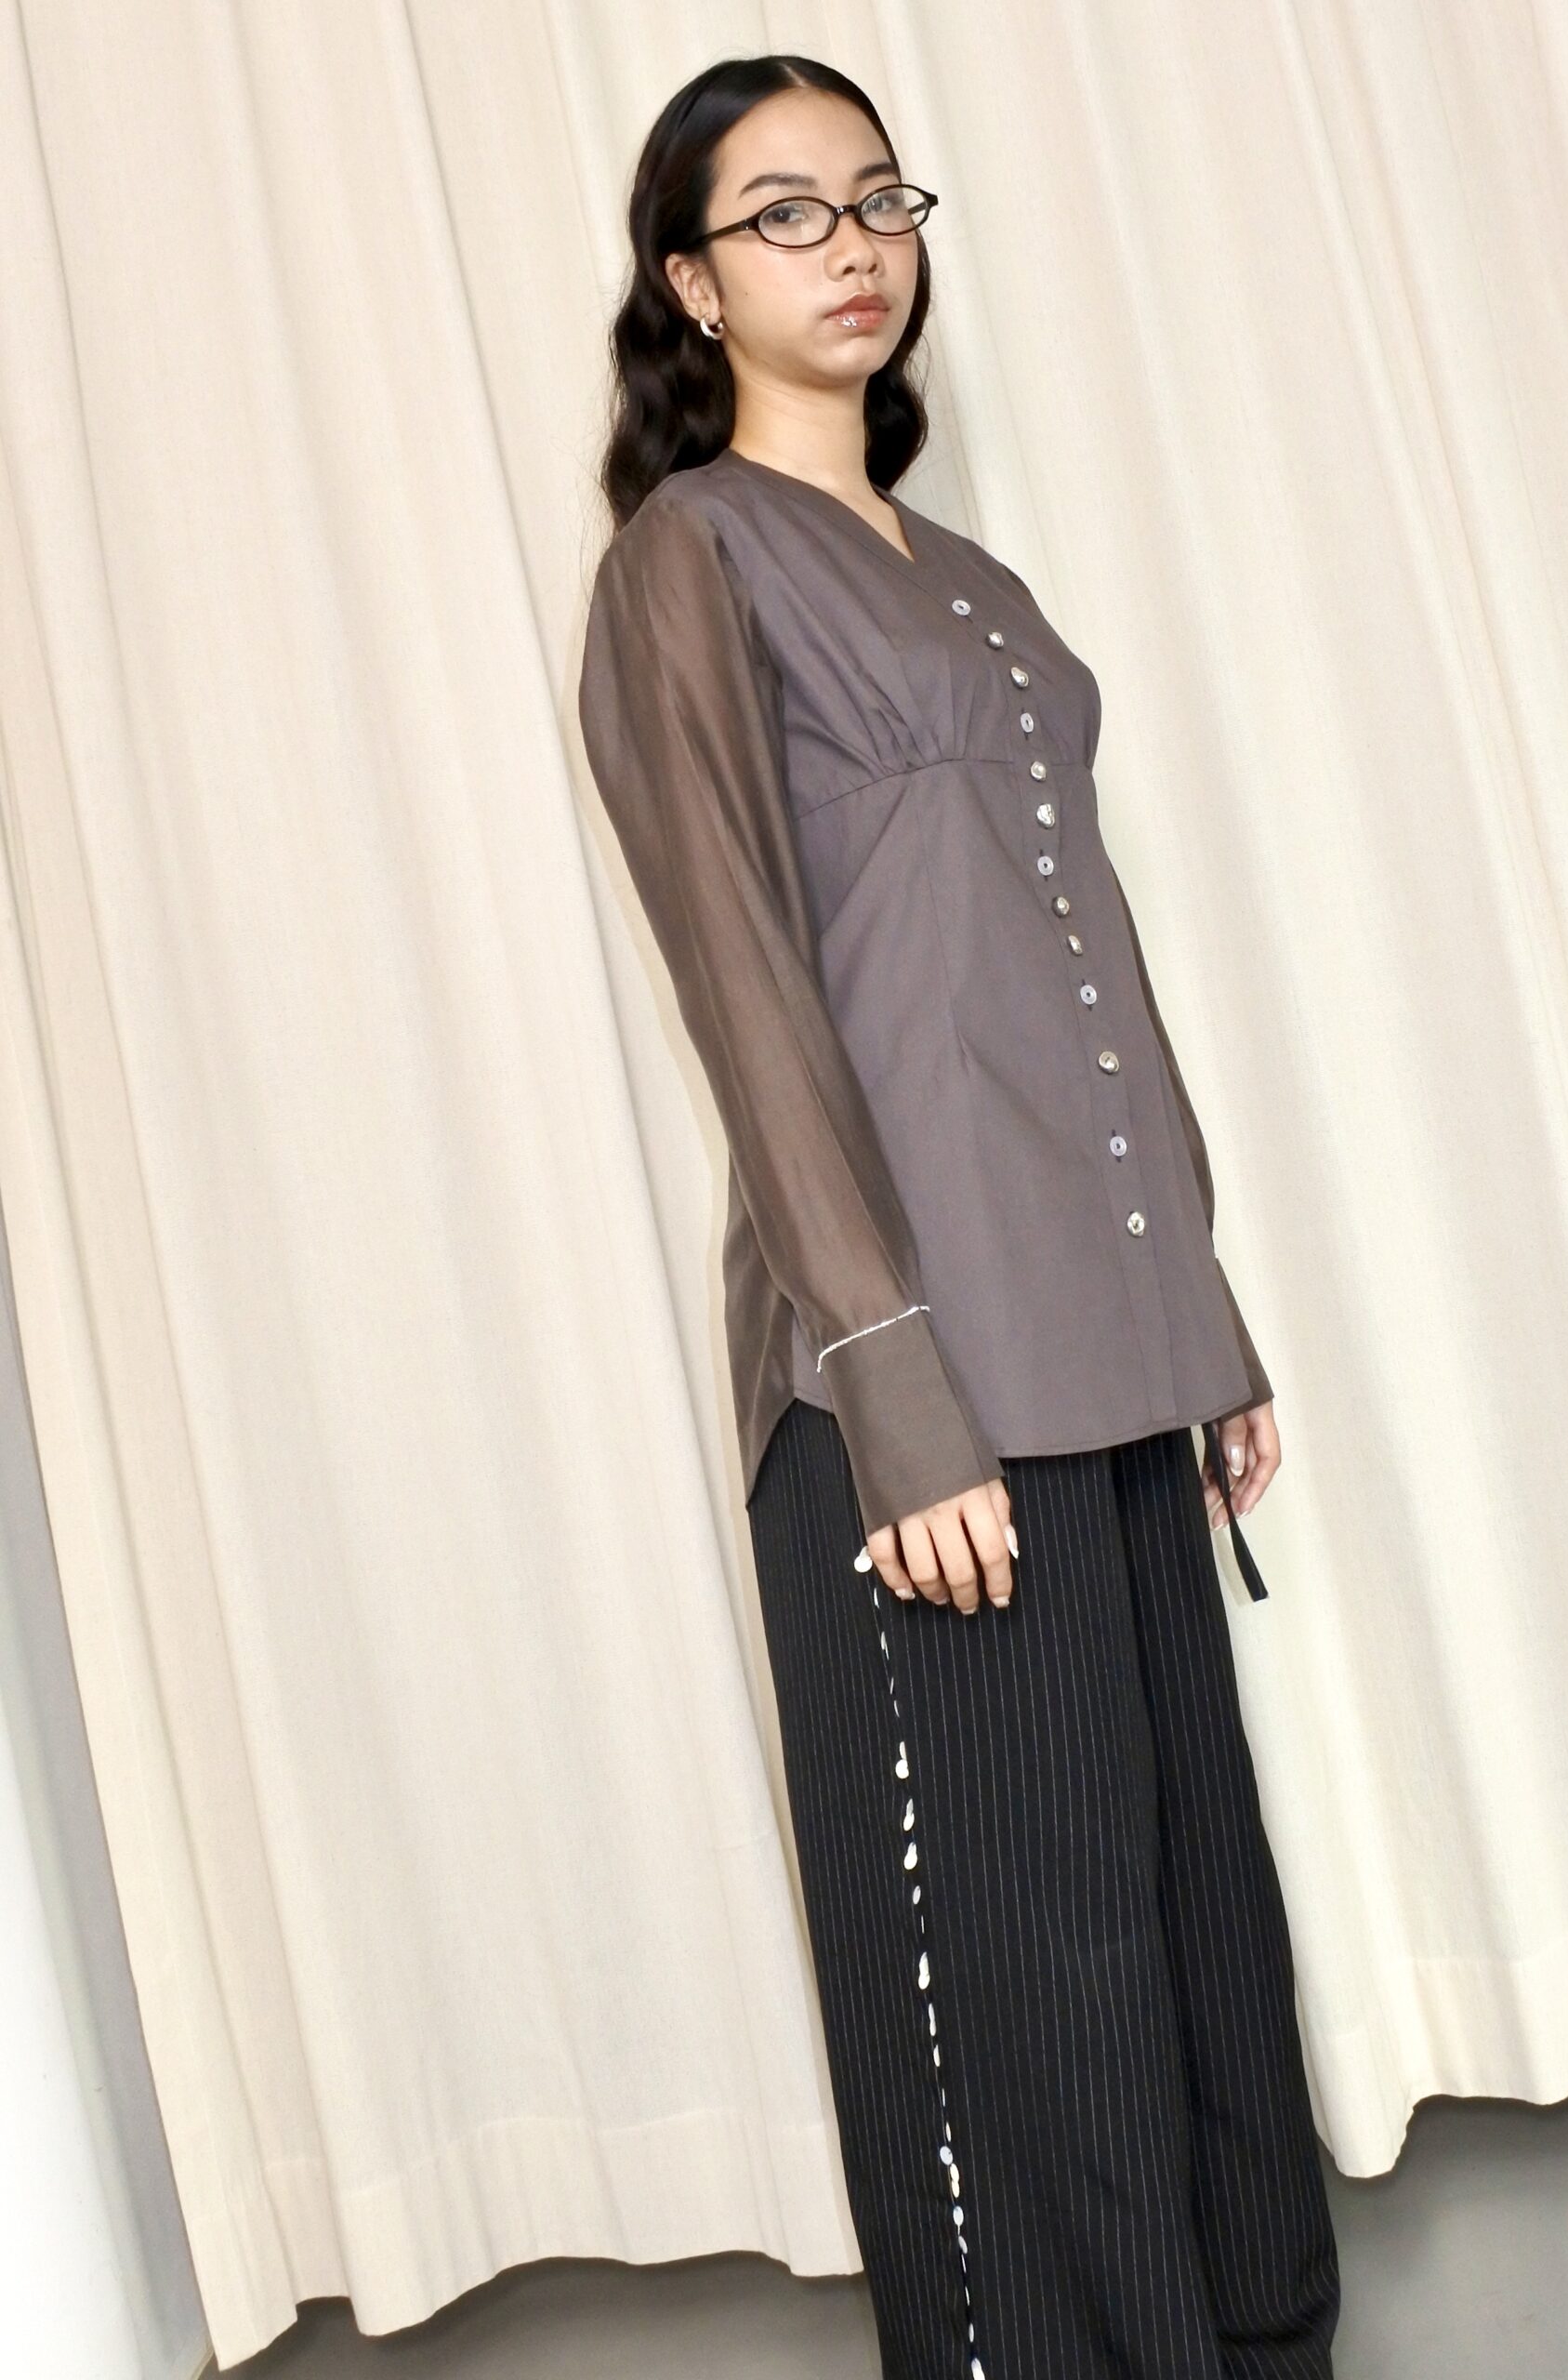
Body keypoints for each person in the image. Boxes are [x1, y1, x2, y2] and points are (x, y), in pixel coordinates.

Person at [577, 51, 1342, 2380]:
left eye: (878, 199)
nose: (854, 247)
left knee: (1189, 1901)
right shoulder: (691, 558)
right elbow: (743, 990)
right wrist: (888, 1388)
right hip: (920, 1376)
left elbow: (1080, 942)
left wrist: (1202, 1314)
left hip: (1110, 1337)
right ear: (694, 283)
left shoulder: (981, 588)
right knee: (1029, 1964)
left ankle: (1253, 2335)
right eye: (786, 214)